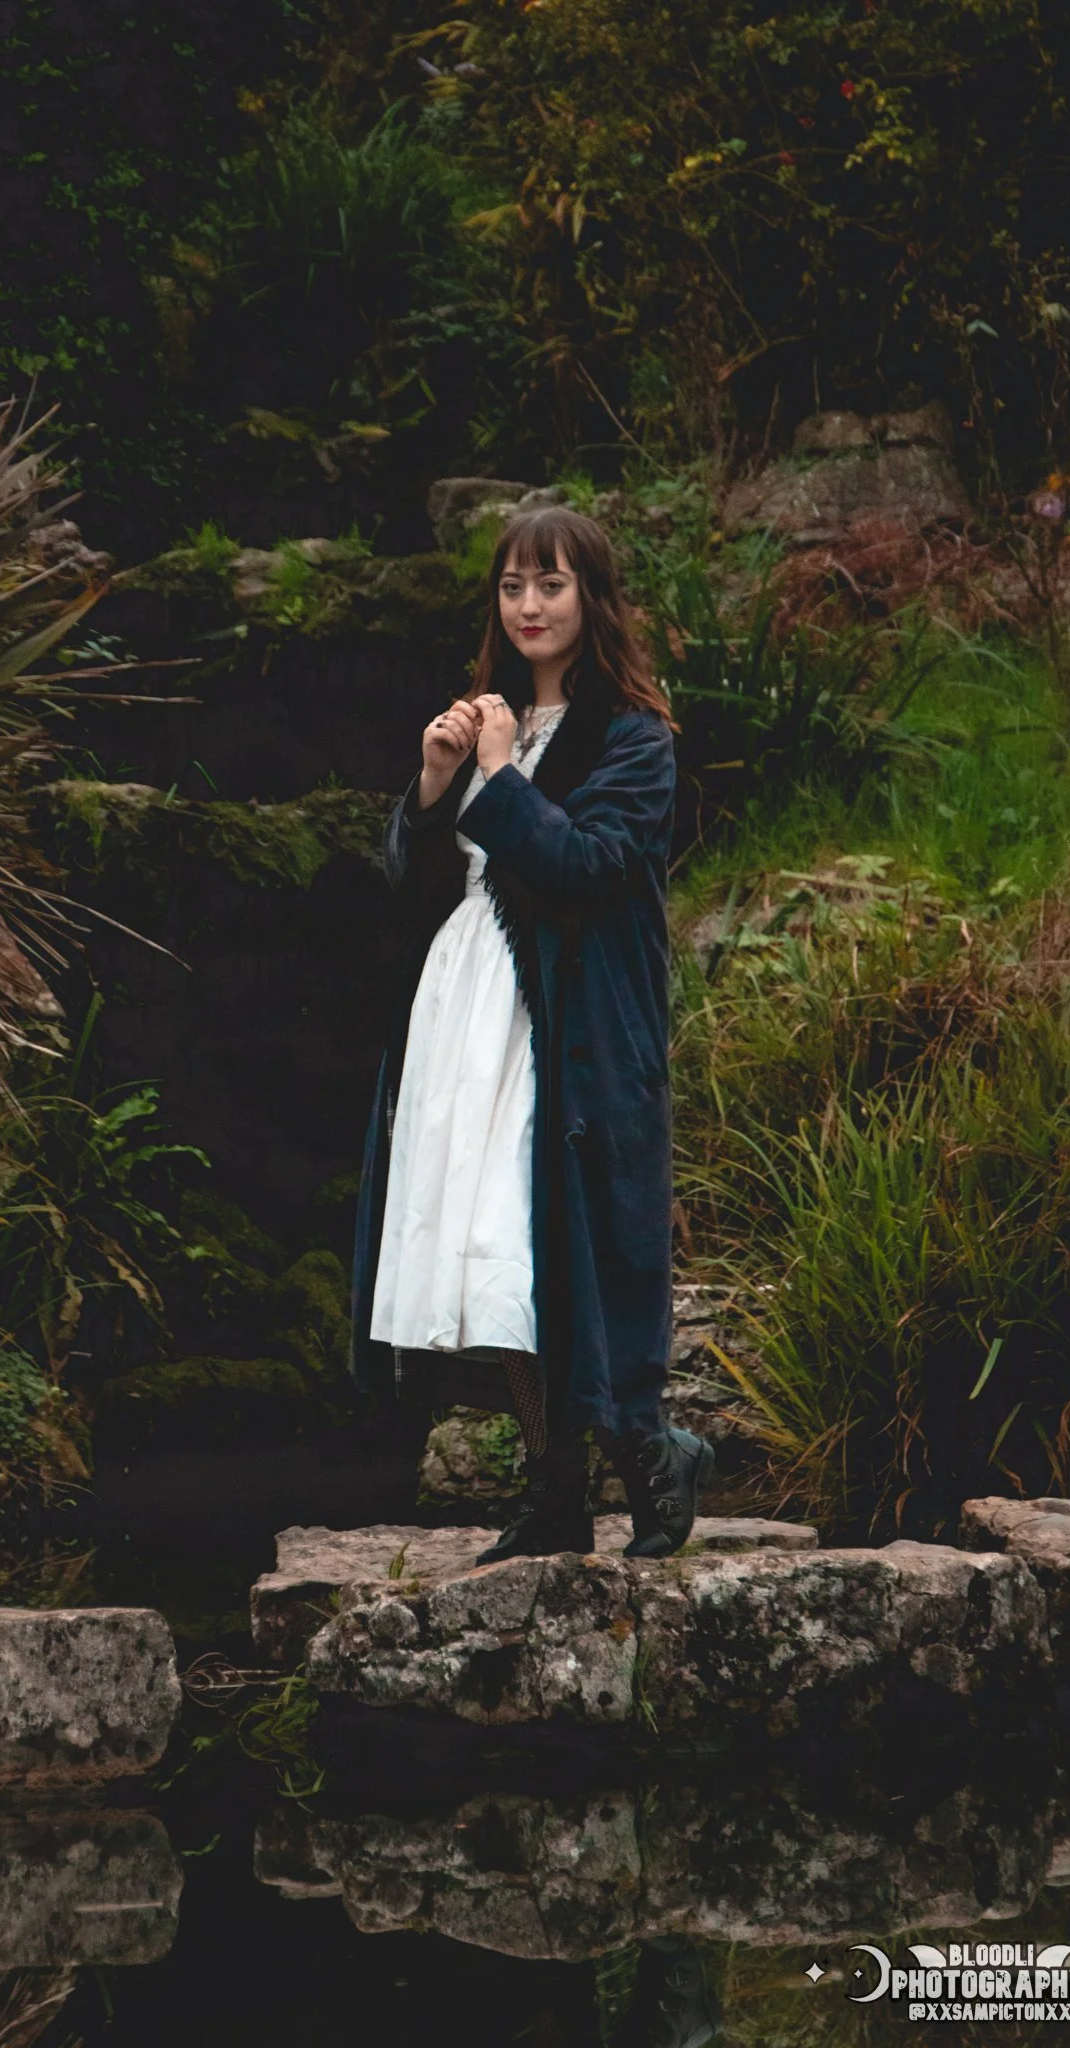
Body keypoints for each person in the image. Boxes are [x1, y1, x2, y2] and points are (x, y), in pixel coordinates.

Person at [350, 503, 713, 1560]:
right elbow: (421, 895)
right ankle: (558, 1491)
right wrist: (431, 786)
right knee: (498, 1250)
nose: (529, 605)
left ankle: (650, 1453)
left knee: (570, 1240)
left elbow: (590, 868)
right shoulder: (483, 724)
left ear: (590, 597)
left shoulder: (634, 737)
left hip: (579, 1023)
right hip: (473, 1016)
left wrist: (503, 779)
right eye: (512, 585)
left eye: (550, 584)